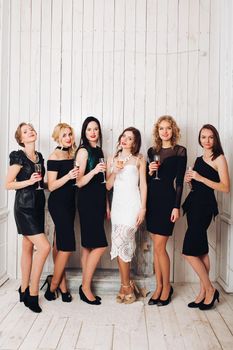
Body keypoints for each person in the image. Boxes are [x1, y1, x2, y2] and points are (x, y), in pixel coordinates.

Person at [182, 124, 230, 310]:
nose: (207, 140)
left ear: (215, 139)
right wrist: (190, 181)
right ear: (199, 139)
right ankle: (203, 292)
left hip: (205, 207)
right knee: (201, 250)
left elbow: (225, 187)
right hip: (193, 205)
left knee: (188, 252)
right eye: (203, 137)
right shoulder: (198, 159)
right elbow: (194, 188)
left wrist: (200, 178)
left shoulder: (220, 159)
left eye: (211, 137)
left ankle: (210, 289)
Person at [5, 122, 50, 313]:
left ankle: (23, 289)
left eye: (31, 129)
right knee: (45, 247)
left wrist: (55, 182)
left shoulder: (39, 157)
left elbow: (41, 182)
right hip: (24, 207)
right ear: (21, 139)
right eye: (25, 131)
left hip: (38, 205)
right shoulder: (18, 157)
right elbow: (8, 184)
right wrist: (28, 181)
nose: (30, 132)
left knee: (28, 246)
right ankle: (32, 293)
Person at [146, 115, 187, 306]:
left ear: (173, 130)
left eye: (168, 128)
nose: (165, 132)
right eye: (161, 128)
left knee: (160, 247)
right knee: (156, 248)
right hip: (152, 200)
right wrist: (149, 171)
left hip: (167, 200)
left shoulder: (180, 151)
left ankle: (166, 288)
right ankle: (158, 286)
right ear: (157, 132)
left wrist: (176, 206)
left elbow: (179, 182)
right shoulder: (152, 151)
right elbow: (147, 181)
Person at [106, 127, 147, 304]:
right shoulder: (111, 159)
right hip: (118, 206)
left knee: (124, 241)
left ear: (135, 143)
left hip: (132, 206)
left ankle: (126, 287)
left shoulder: (139, 160)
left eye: (130, 138)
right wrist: (115, 170)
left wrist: (143, 208)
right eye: (124, 136)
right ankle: (126, 285)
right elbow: (107, 186)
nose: (125, 140)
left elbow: (144, 185)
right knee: (120, 244)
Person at [41, 123, 78, 302]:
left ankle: (62, 285)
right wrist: (69, 176)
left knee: (59, 243)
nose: (68, 138)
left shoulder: (72, 153)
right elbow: (52, 185)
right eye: (64, 135)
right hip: (58, 203)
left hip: (71, 203)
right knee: (67, 245)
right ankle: (53, 285)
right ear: (57, 137)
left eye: (70, 134)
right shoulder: (54, 156)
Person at [75, 116, 108, 305]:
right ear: (84, 132)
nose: (93, 132)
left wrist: (106, 204)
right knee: (100, 245)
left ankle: (84, 286)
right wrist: (95, 171)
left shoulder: (99, 150)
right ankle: (86, 287)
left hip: (97, 200)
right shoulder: (83, 151)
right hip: (87, 201)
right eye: (89, 129)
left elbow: (102, 183)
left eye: (95, 129)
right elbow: (79, 182)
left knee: (88, 245)